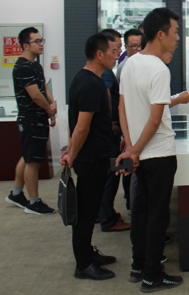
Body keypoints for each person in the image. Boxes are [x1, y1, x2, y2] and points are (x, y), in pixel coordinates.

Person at [116, 8, 184, 292]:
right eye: (175, 32)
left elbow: (122, 108)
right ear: (160, 34)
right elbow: (156, 120)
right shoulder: (158, 69)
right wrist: (135, 150)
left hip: (140, 153)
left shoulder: (130, 63)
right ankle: (152, 275)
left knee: (141, 211)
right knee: (157, 215)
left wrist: (131, 147)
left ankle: (139, 264)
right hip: (158, 153)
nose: (177, 38)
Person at [60, 33, 118, 280]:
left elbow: (74, 123)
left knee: (89, 208)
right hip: (91, 158)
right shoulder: (92, 84)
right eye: (113, 51)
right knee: (86, 213)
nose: (117, 56)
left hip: (90, 155)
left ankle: (87, 254)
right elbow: (82, 127)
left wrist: (70, 148)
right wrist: (72, 154)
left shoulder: (83, 78)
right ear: (99, 54)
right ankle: (83, 264)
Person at [5, 27, 57, 215]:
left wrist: (52, 104)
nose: (41, 44)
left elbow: (43, 87)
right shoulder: (23, 66)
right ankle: (33, 202)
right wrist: (49, 108)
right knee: (33, 161)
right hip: (30, 118)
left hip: (39, 116)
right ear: (26, 45)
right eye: (37, 41)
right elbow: (35, 95)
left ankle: (16, 194)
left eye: (42, 40)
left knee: (28, 156)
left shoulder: (35, 65)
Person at [98, 29, 131, 233]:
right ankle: (108, 219)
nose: (119, 52)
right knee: (112, 175)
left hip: (111, 130)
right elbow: (107, 98)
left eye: (119, 47)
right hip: (110, 133)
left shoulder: (108, 71)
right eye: (116, 48)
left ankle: (105, 213)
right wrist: (112, 122)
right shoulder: (106, 73)